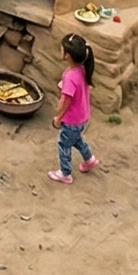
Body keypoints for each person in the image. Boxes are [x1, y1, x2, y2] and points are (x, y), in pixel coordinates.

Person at [50, 33, 100, 183]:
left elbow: (66, 99)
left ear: (68, 55)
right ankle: (89, 159)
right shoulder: (83, 70)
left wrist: (58, 117)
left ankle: (65, 173)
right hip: (83, 117)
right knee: (77, 140)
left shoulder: (70, 76)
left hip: (71, 120)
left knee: (64, 144)